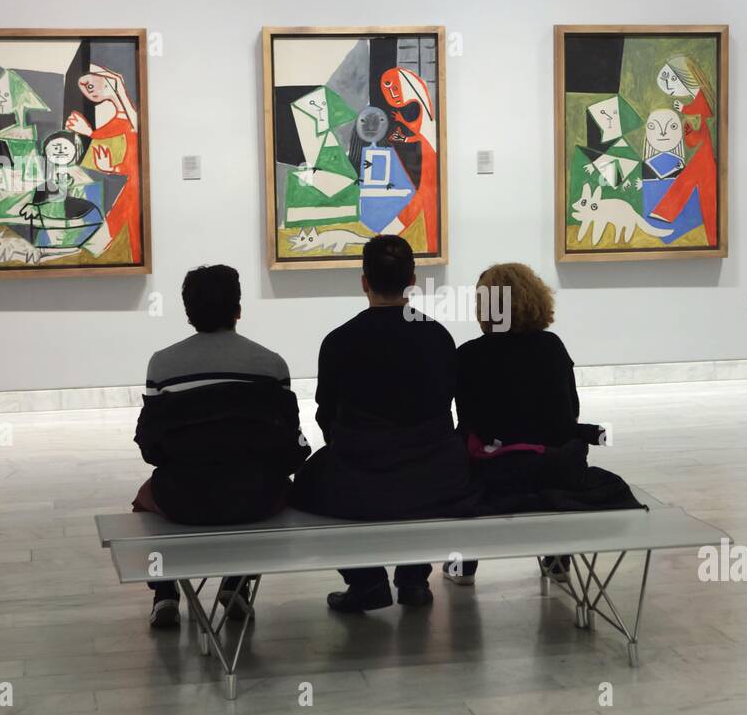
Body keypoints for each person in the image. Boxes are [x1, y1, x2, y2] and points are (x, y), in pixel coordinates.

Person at [289, 235, 480, 612]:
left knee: (306, 485)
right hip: (435, 476)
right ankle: (413, 580)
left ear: (364, 281)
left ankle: (367, 579)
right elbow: (449, 410)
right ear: (412, 279)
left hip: (361, 474)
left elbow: (326, 416)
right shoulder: (438, 337)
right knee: (419, 487)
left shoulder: (339, 341)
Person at [133, 265, 310, 628]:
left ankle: (165, 592)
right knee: (274, 489)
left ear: (188, 312)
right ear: (238, 309)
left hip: (183, 498)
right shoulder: (271, 364)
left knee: (144, 502)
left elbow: (151, 446)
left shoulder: (162, 364)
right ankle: (237, 583)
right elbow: (290, 443)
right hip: (256, 497)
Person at [451, 262, 635, 585]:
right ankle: (557, 560)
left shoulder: (468, 356)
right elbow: (568, 417)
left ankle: (464, 565)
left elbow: (467, 424)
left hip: (493, 476)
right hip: (552, 471)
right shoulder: (552, 348)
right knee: (560, 451)